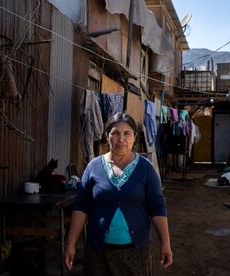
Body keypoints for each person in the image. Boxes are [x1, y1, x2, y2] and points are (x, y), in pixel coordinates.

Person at [65, 112, 172, 275]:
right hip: (98, 252)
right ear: (107, 136)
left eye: (127, 133)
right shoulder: (93, 167)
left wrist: (165, 243)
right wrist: (71, 243)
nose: (121, 139)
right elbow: (81, 206)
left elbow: (157, 207)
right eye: (115, 133)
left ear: (135, 137)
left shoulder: (146, 168)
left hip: (136, 253)